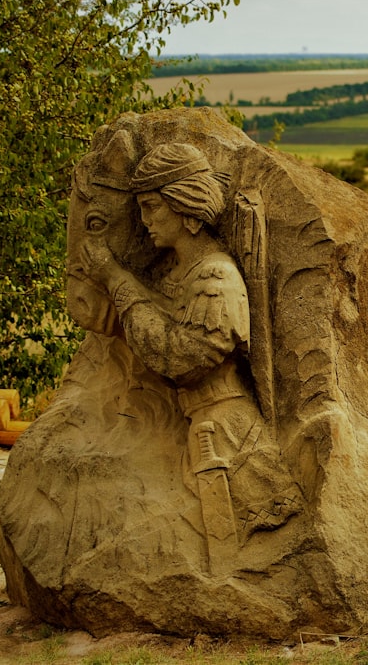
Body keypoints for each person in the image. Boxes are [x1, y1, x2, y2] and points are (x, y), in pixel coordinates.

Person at [79, 142, 302, 543]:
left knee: (238, 549)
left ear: (186, 207)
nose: (144, 220)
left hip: (229, 438)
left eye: (152, 207)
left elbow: (179, 358)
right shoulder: (180, 274)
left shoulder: (216, 279)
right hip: (198, 428)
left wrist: (116, 279)